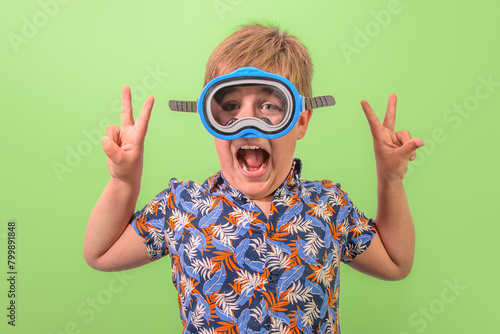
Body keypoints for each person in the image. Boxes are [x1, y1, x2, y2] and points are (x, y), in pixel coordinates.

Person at [83, 24, 424, 333]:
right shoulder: (182, 207)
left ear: (301, 120)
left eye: (271, 107)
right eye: (229, 106)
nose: (248, 122)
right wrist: (123, 180)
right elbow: (100, 253)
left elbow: (396, 263)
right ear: (208, 118)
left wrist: (390, 179)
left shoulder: (328, 205)